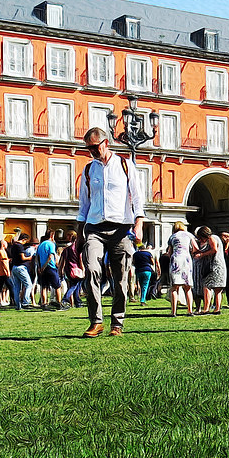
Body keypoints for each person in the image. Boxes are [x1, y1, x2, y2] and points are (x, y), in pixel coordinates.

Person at [76, 127, 145, 338]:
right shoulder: (88, 171)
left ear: (106, 143)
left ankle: (117, 322)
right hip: (94, 227)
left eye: (94, 147)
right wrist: (79, 235)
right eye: (88, 148)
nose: (92, 151)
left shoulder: (125, 165)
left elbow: (137, 196)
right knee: (91, 271)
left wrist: (139, 224)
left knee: (121, 277)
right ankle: (96, 322)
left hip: (121, 228)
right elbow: (83, 205)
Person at [192, 226, 226, 315]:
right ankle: (217, 309)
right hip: (220, 266)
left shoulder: (212, 238)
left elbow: (214, 249)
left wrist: (202, 255)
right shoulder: (217, 238)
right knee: (218, 289)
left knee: (206, 286)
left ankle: (206, 308)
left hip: (213, 266)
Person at [166, 221, 196, 317]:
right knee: (187, 287)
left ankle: (173, 311)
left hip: (176, 259)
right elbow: (195, 248)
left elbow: (169, 252)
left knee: (174, 287)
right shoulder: (189, 235)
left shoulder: (172, 237)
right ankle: (190, 310)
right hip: (186, 260)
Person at [35, 231, 63, 309]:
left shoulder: (40, 245)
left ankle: (44, 304)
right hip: (50, 267)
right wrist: (46, 266)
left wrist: (40, 267)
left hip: (42, 269)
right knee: (57, 286)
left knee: (44, 287)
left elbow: (37, 257)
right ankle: (59, 303)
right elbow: (51, 256)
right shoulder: (51, 244)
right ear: (52, 235)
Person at [58, 230, 83, 309]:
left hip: (68, 270)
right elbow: (80, 259)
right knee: (74, 286)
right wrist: (83, 269)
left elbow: (62, 261)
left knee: (75, 286)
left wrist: (60, 270)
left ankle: (77, 302)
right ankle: (65, 299)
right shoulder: (77, 248)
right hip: (76, 269)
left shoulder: (66, 249)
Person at [7, 233, 33, 311]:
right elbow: (22, 258)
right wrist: (30, 258)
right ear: (24, 239)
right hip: (21, 267)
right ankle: (26, 302)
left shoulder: (13, 246)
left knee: (16, 287)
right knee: (29, 285)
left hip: (14, 267)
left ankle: (17, 305)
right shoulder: (19, 246)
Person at [133, 242, 158, 306]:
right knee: (145, 285)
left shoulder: (135, 254)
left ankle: (142, 297)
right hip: (147, 270)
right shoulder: (148, 254)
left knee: (141, 286)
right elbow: (152, 262)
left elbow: (133, 262)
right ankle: (143, 300)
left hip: (138, 270)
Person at [0, 239, 11, 307]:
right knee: (11, 287)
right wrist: (7, 272)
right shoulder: (2, 252)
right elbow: (4, 263)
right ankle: (15, 301)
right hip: (4, 273)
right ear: (3, 245)